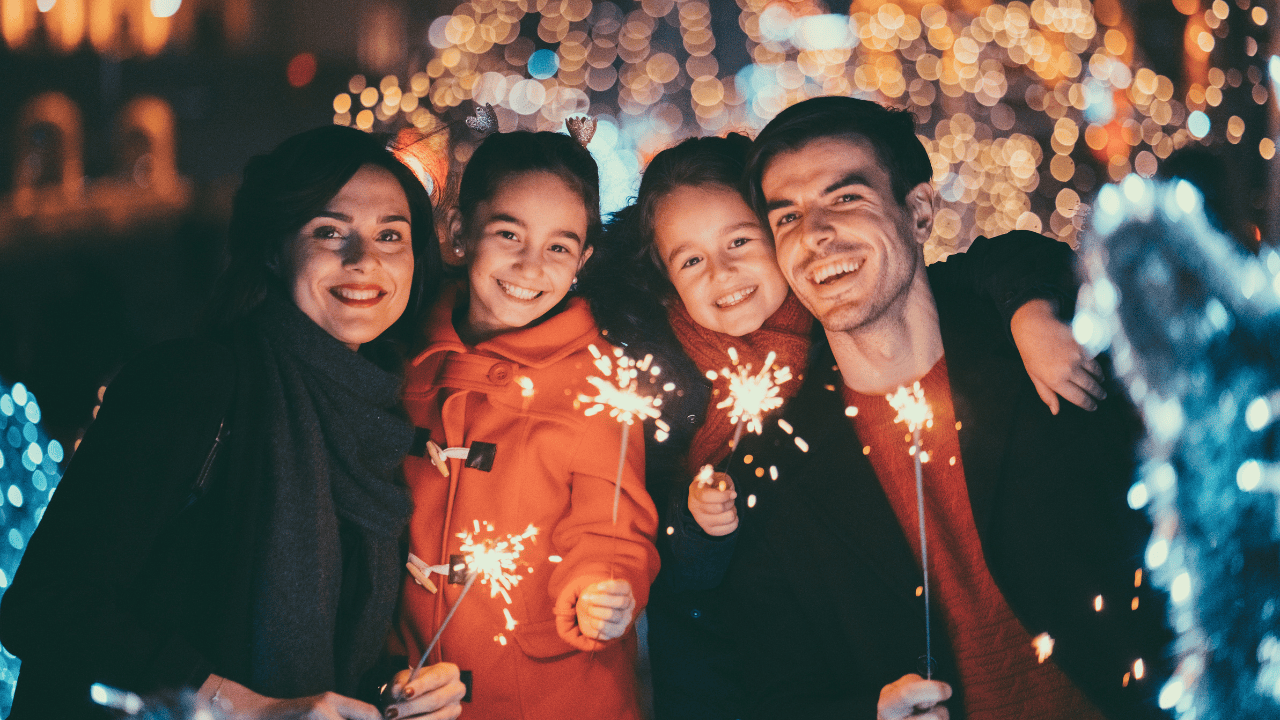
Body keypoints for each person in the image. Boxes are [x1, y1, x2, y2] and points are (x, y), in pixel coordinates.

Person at [584, 132, 1118, 720]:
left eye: (740, 240)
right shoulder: (660, 376)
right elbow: (672, 568)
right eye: (691, 260)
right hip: (719, 653)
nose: (723, 271)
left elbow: (990, 263)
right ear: (666, 279)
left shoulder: (841, 314)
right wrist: (695, 525)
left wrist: (1029, 310)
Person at [721, 96, 1174, 720]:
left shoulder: (1041, 344)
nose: (815, 235)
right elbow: (775, 693)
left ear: (919, 212)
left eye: (845, 198)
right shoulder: (773, 467)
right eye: (787, 217)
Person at [0, 126, 465, 720]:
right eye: (329, 231)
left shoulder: (383, 421)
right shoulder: (191, 383)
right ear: (273, 249)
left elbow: (326, 667)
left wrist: (394, 695)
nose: (364, 260)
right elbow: (45, 606)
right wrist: (242, 705)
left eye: (390, 235)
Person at [390, 128, 660, 720]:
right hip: (412, 684)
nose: (530, 265)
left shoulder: (600, 381)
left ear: (583, 261)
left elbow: (612, 526)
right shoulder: (402, 359)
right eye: (509, 234)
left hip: (551, 693)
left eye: (559, 247)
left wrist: (603, 587)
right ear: (459, 232)